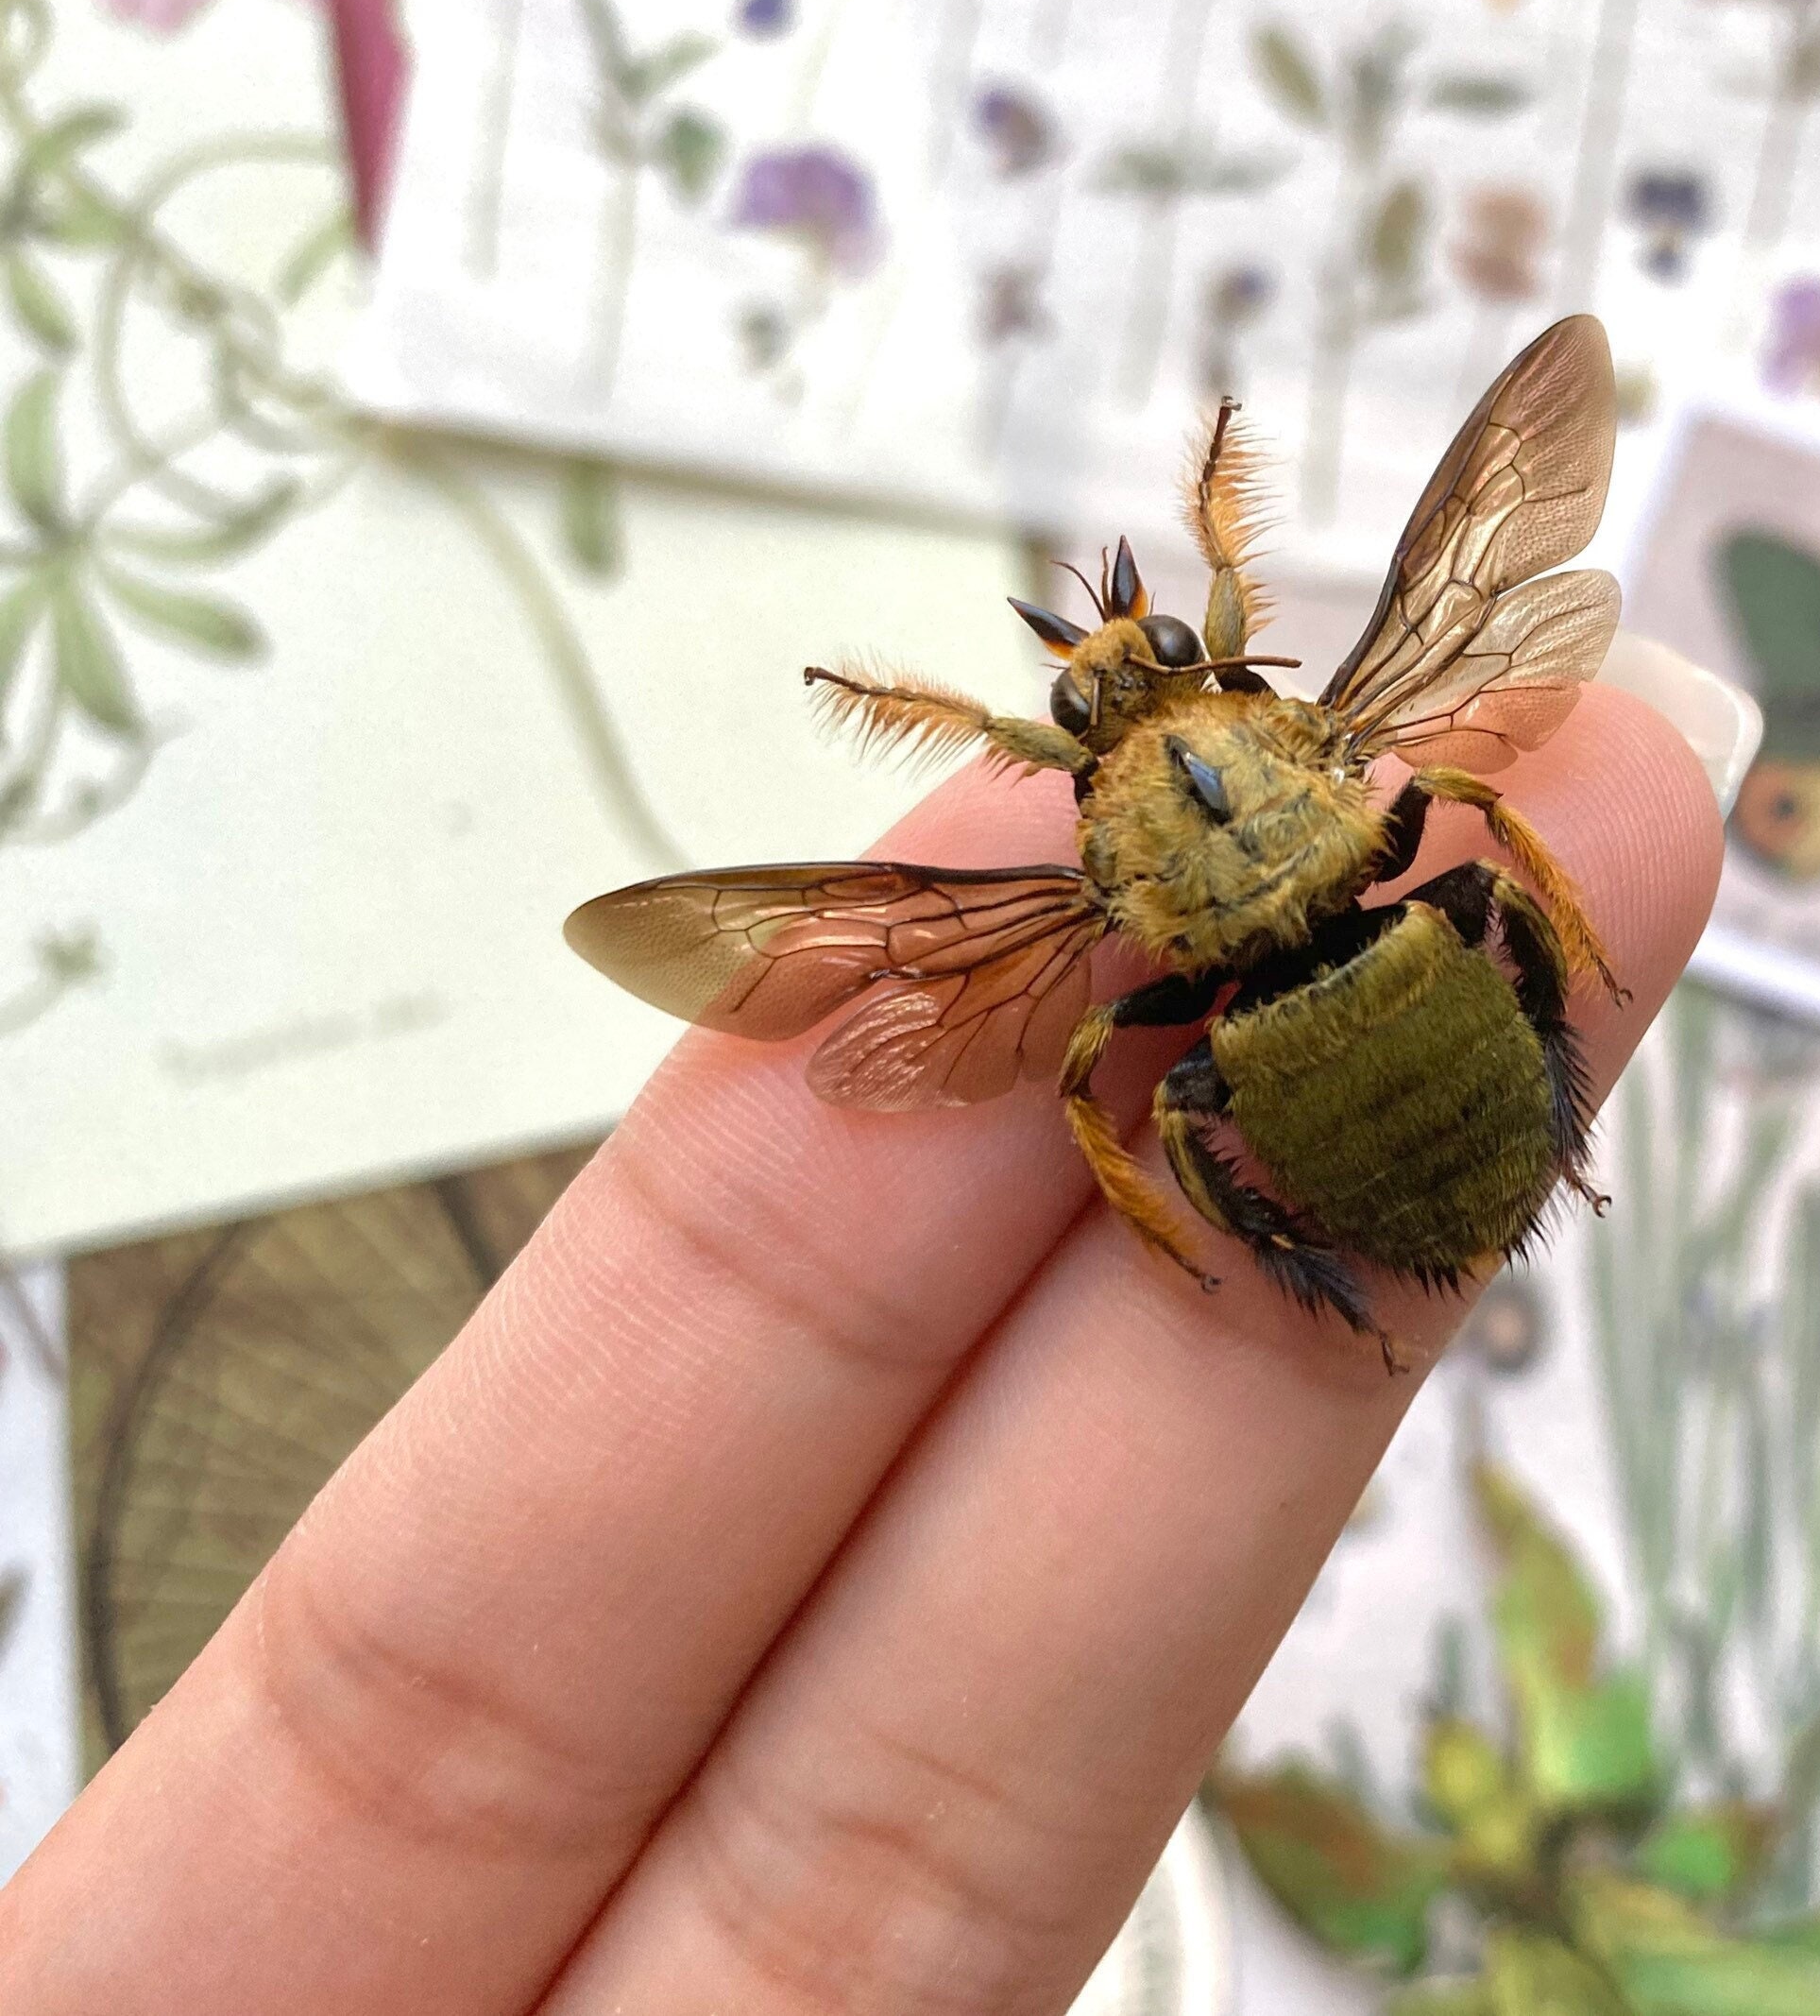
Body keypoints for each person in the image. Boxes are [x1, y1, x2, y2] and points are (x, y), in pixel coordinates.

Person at [0, 684, 1726, 2013]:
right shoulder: (1357, 763)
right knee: (1483, 861)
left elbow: (1070, 1074)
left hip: (1299, 1072)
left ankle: (1325, 1271)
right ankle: (1508, 1157)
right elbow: (1479, 799)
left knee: (1150, 1093)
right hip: (1424, 1009)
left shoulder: (1089, 932)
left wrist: (1156, 1212)